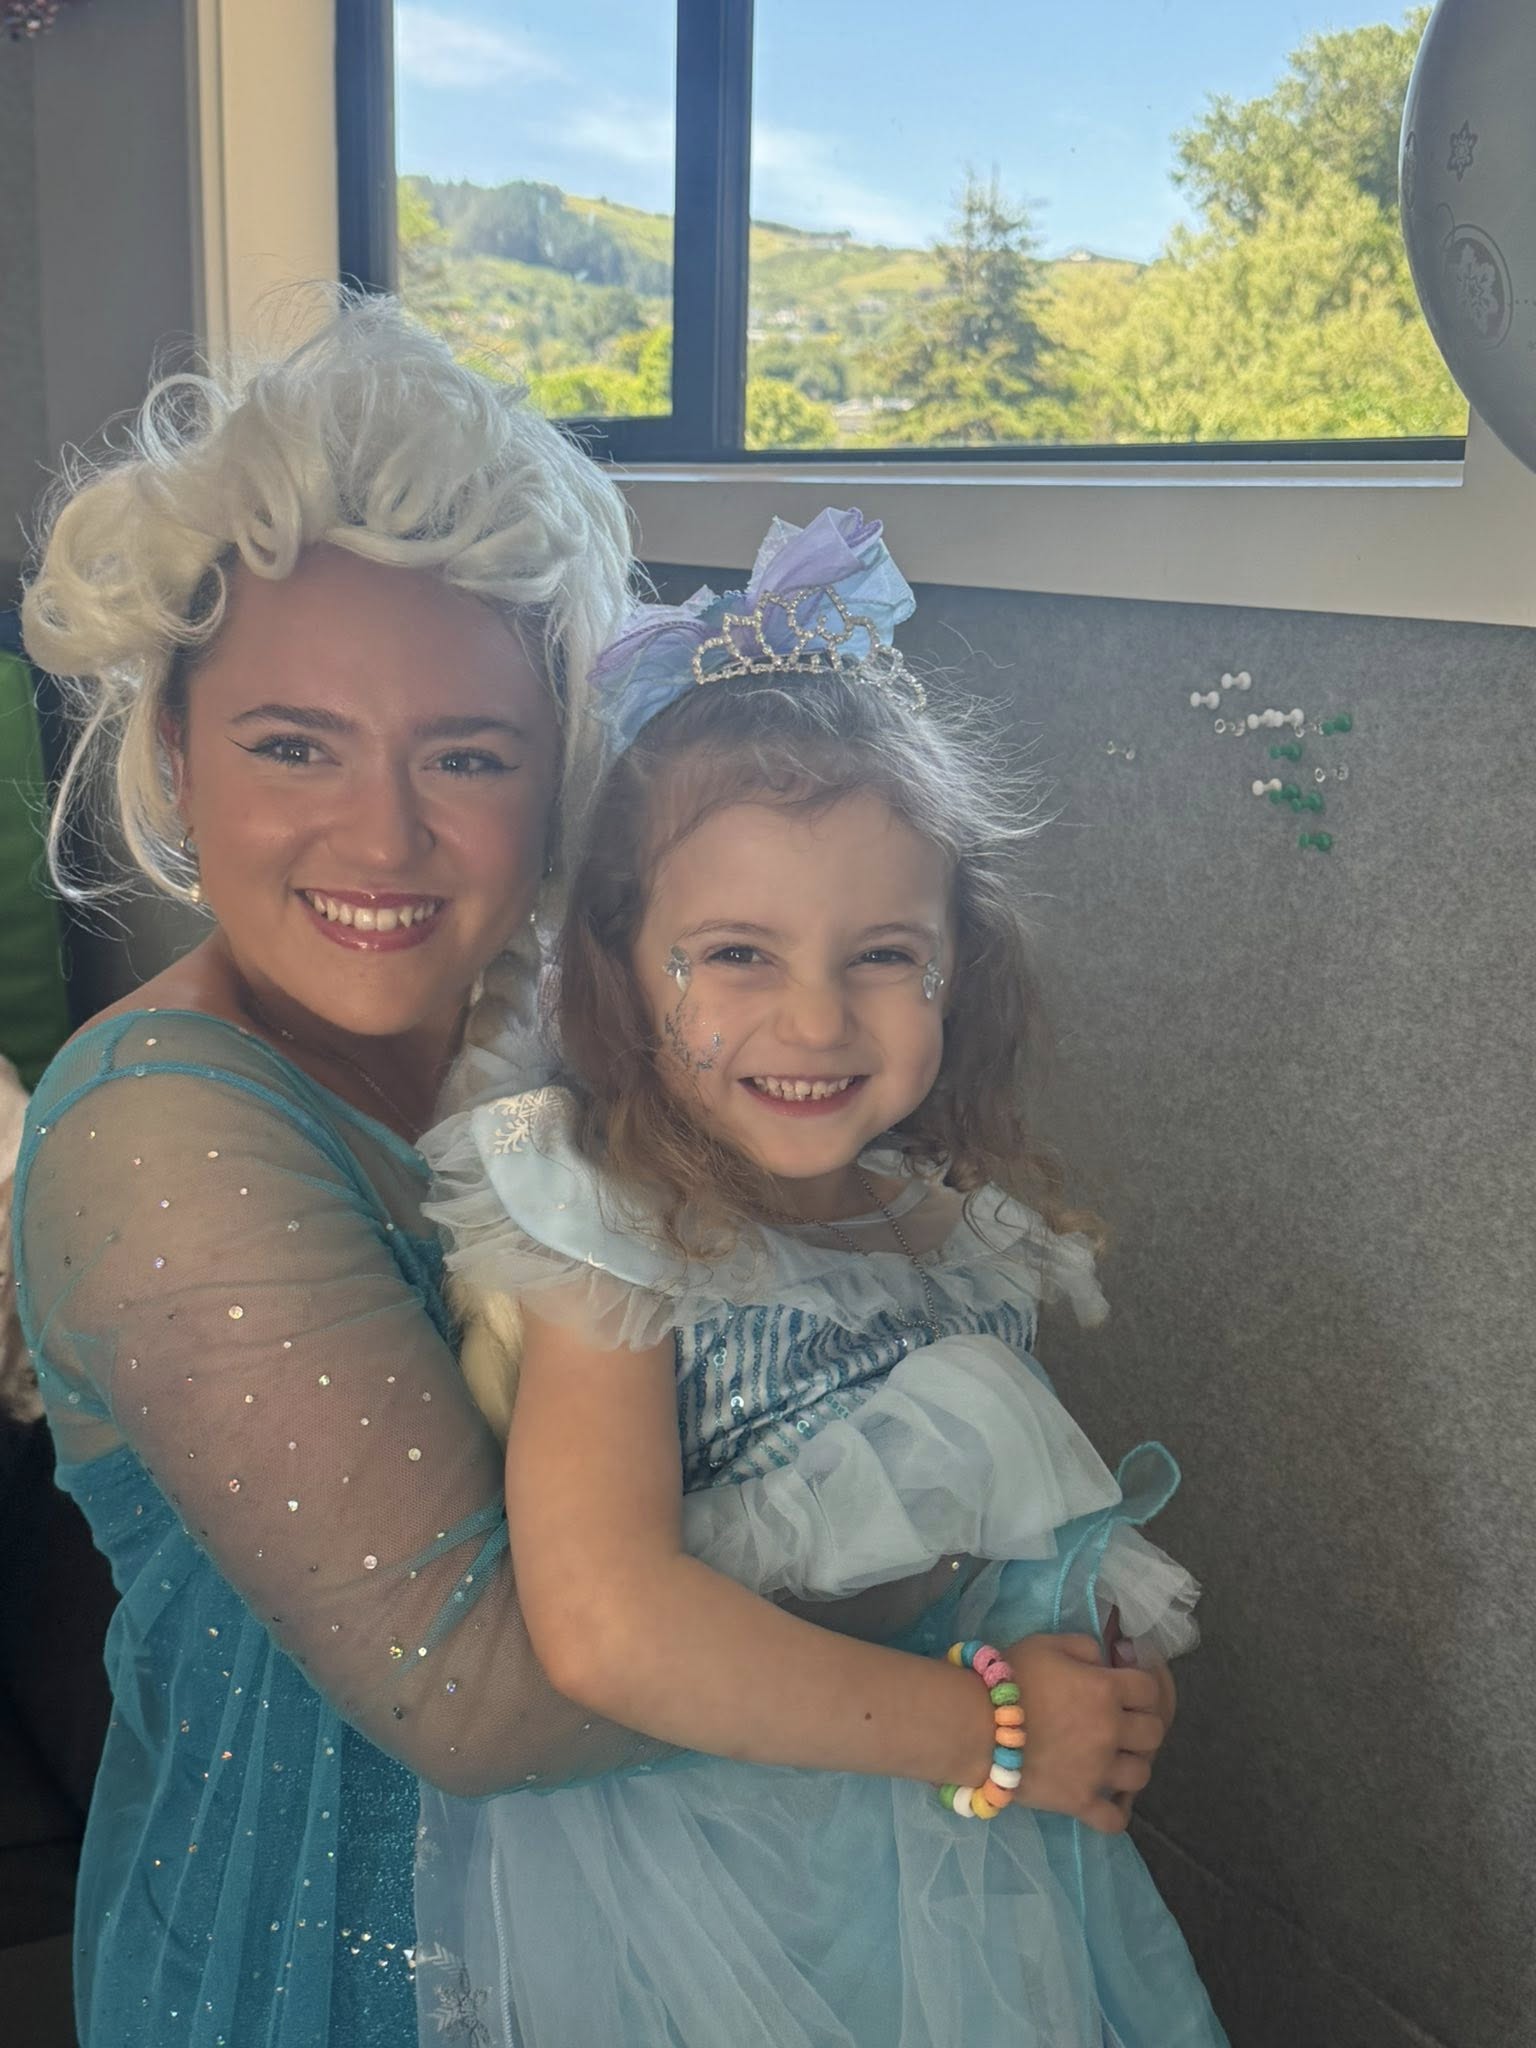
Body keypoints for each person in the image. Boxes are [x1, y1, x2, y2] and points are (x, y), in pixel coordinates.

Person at [10, 309, 1182, 2048]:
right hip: (352, 1964)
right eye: (293, 744)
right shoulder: (164, 1138)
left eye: (466, 755)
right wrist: (985, 1675)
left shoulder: (582, 1035)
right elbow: (485, 1693)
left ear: (558, 774)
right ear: (176, 753)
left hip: (743, 1907)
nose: (385, 836)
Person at [415, 509, 1227, 2047]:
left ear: (958, 965)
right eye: (737, 954)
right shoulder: (612, 1231)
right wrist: (995, 1728)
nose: (816, 1021)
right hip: (714, 1887)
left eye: (881, 955)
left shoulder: (951, 1235)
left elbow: (1013, 1554)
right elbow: (605, 1622)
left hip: (963, 1858)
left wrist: (1102, 1691)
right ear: (619, 962)